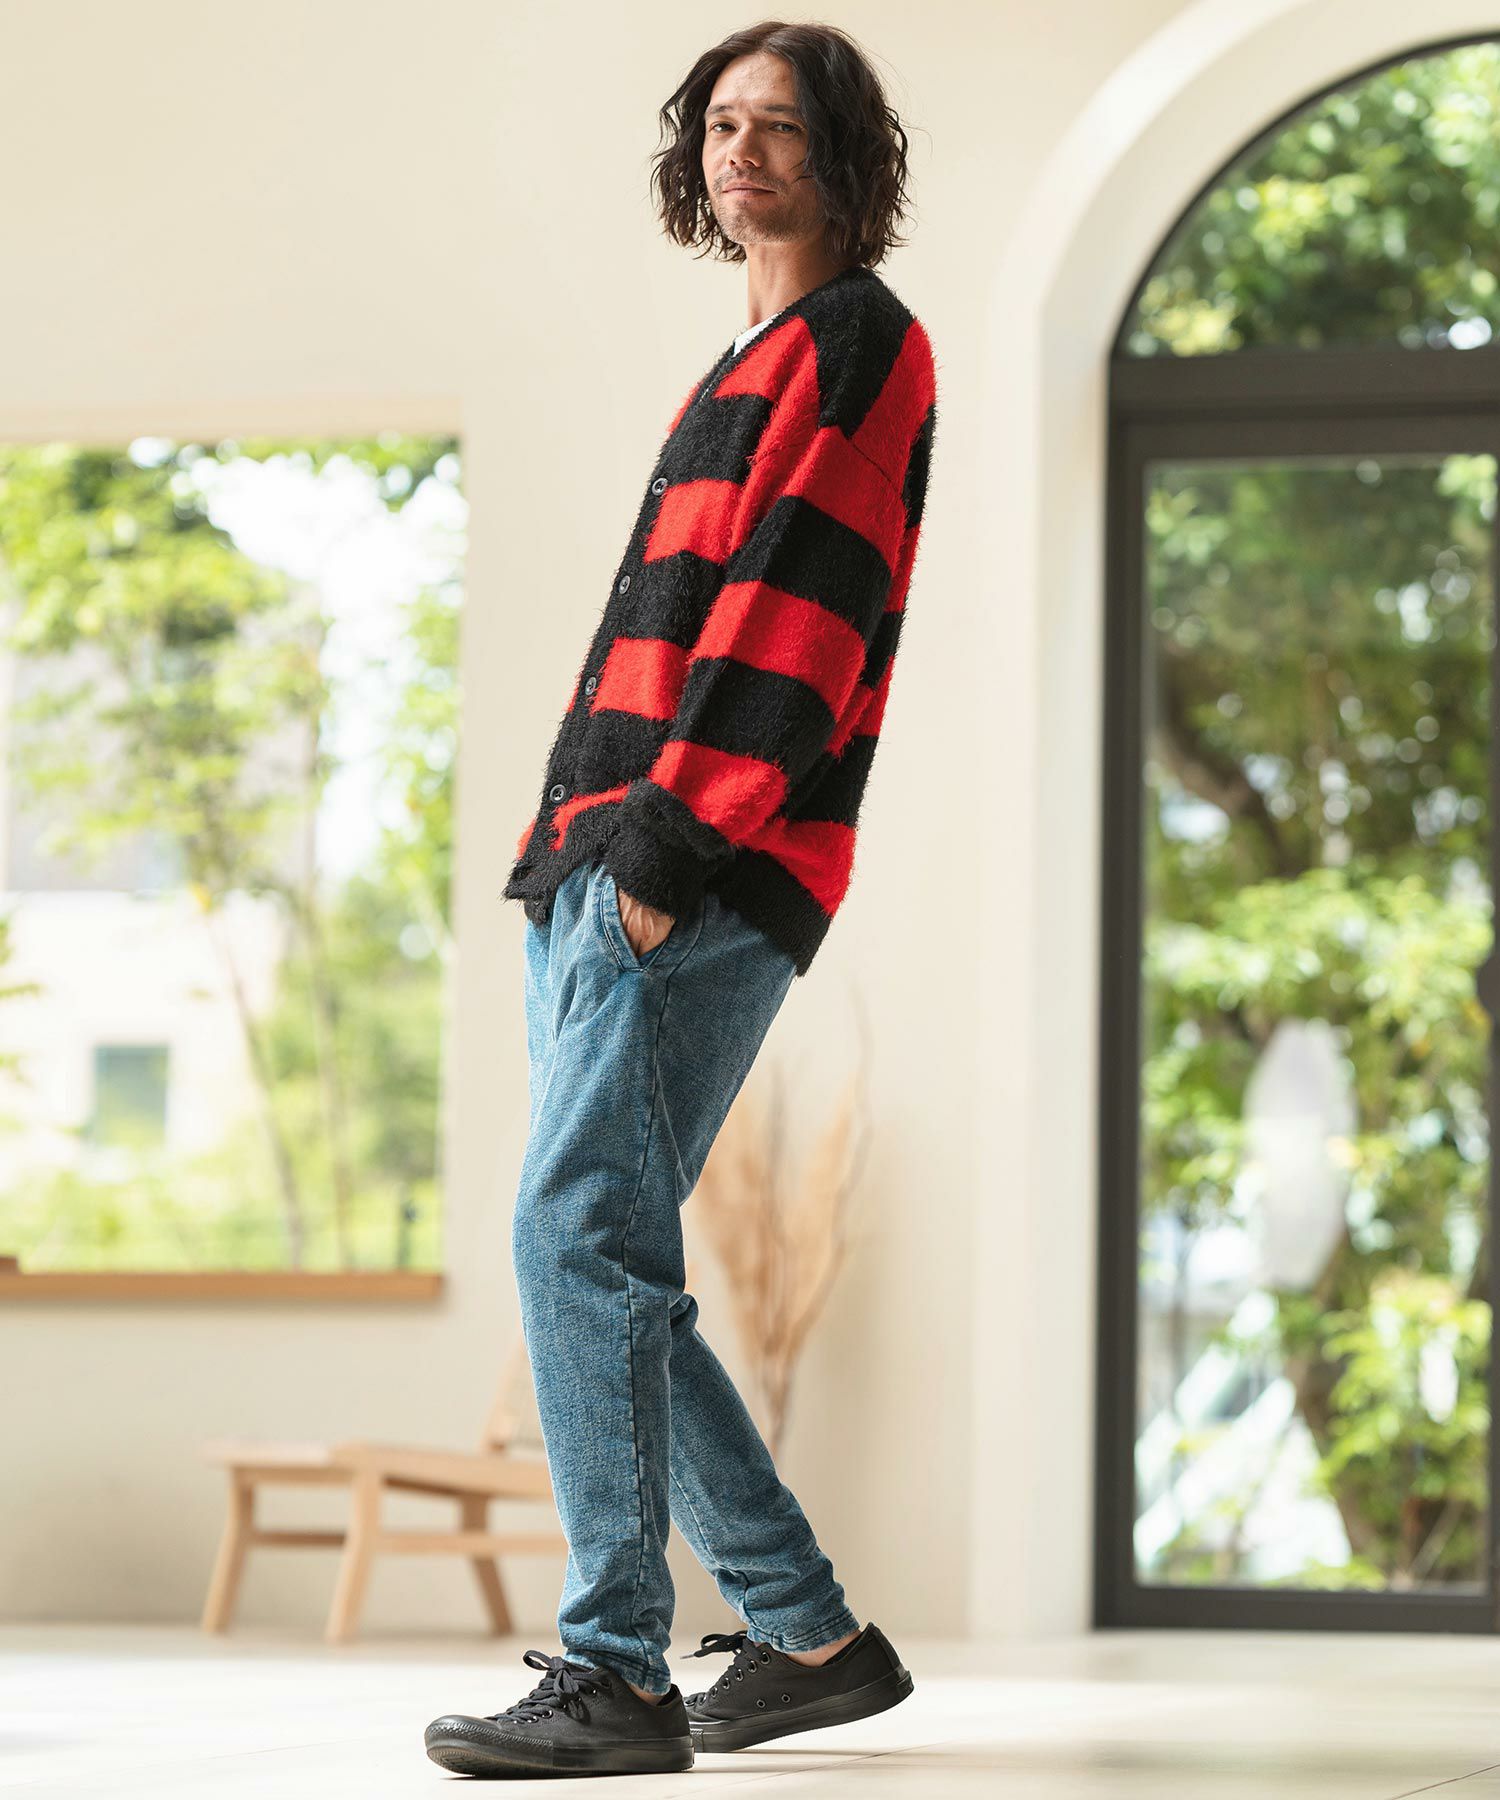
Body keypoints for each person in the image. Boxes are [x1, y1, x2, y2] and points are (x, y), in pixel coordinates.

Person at [426, 18, 938, 1780]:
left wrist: (658, 853)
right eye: (721, 124)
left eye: (780, 126)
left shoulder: (862, 341)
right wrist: (564, 857)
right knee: (613, 1253)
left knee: (573, 1237)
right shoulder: (749, 358)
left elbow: (805, 610)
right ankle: (806, 1637)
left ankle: (617, 1672)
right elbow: (655, 628)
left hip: (697, 865)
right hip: (608, 862)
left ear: (843, 157)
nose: (742, 152)